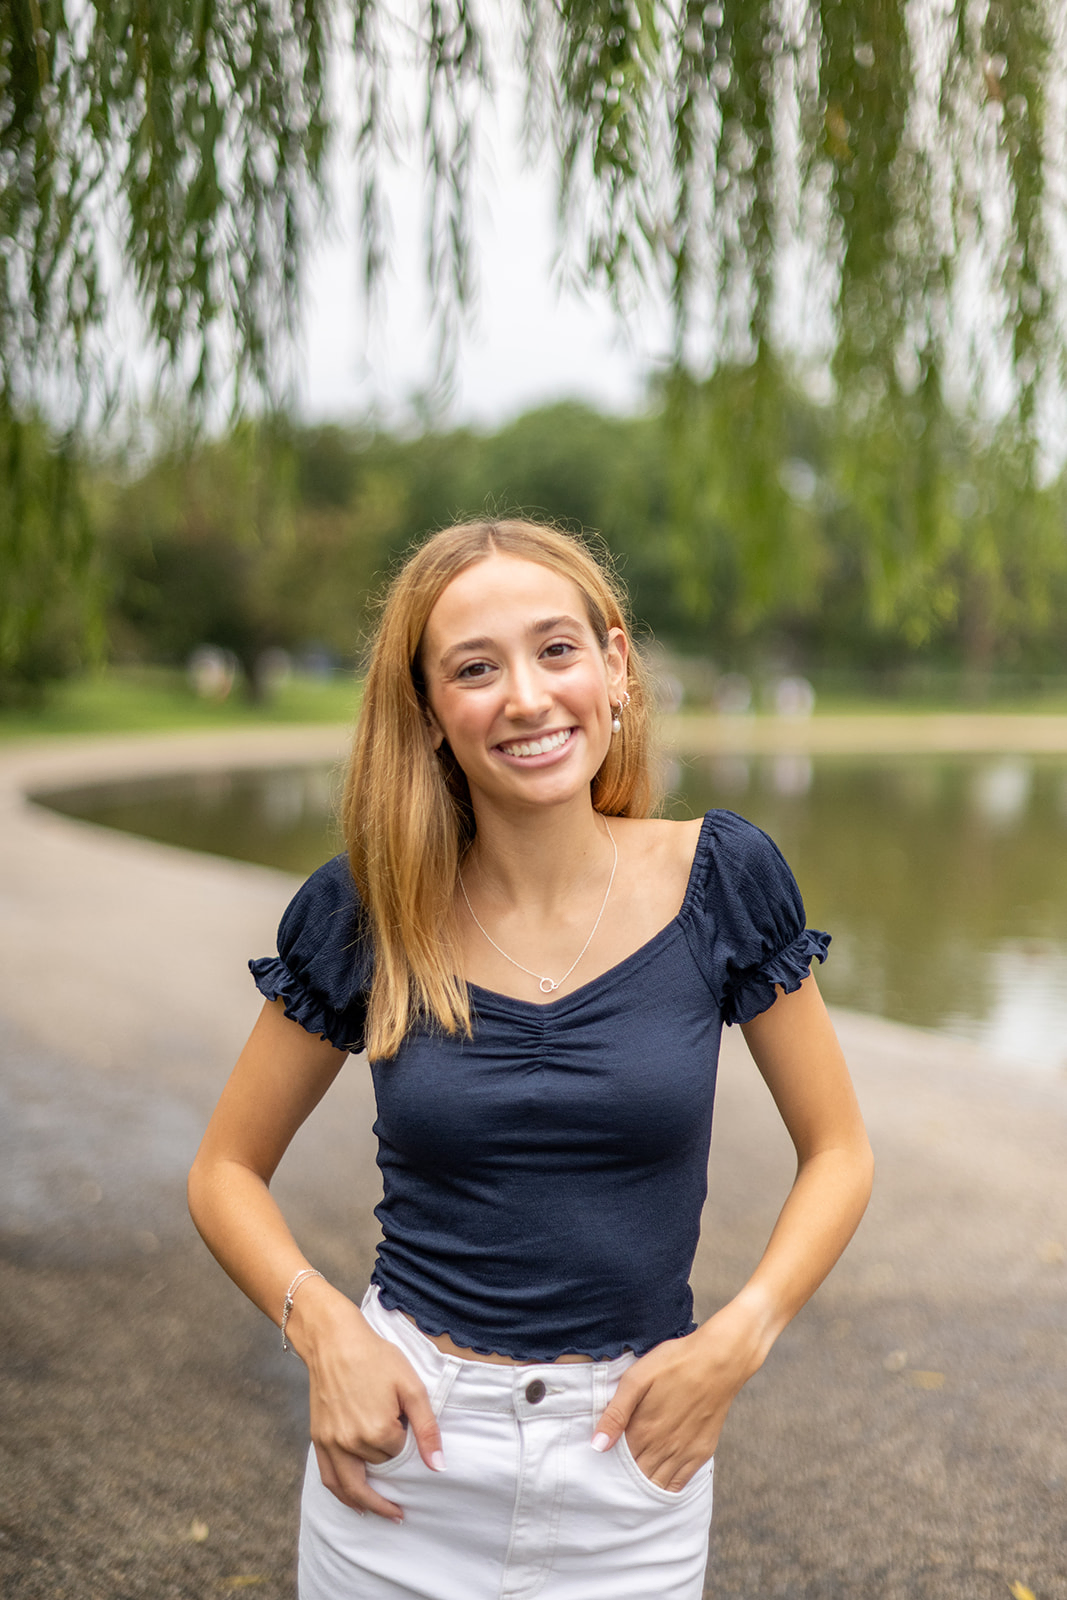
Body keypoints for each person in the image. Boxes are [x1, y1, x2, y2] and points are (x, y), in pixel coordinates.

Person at [188, 517, 874, 1600]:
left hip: (629, 1466)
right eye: (473, 667)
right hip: (405, 1462)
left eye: (556, 649)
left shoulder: (722, 879)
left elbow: (837, 1150)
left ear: (614, 668)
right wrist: (320, 1327)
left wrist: (738, 1339)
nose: (524, 695)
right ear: (425, 714)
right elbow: (224, 1168)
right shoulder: (366, 909)